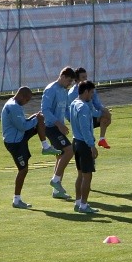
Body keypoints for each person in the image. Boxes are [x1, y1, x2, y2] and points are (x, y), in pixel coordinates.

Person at [1, 87, 61, 209]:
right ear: (22, 96)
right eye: (27, 100)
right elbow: (22, 126)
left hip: (19, 137)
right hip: (15, 143)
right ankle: (16, 200)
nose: (27, 102)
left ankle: (45, 146)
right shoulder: (13, 107)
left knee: (40, 119)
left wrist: (36, 117)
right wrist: (36, 119)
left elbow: (23, 124)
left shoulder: (15, 103)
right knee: (23, 170)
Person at [41, 66, 76, 200]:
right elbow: (45, 110)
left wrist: (73, 121)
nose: (69, 84)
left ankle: (57, 190)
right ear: (63, 77)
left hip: (58, 127)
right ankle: (55, 180)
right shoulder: (51, 89)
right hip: (50, 127)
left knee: (60, 155)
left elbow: (66, 109)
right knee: (69, 150)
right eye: (69, 81)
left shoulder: (63, 91)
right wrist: (58, 124)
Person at [69, 80, 99, 213]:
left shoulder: (73, 103)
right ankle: (84, 205)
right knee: (87, 176)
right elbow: (85, 129)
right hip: (84, 144)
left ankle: (78, 202)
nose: (92, 95)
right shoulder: (83, 107)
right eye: (91, 92)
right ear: (86, 91)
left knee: (80, 174)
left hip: (75, 142)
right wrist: (92, 146)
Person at [68, 67, 112, 149]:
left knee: (107, 115)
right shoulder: (72, 94)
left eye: (86, 77)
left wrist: (103, 110)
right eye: (83, 77)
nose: (85, 79)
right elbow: (73, 111)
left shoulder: (89, 89)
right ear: (76, 79)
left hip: (90, 115)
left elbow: (96, 103)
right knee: (85, 130)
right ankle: (89, 142)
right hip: (80, 119)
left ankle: (102, 139)